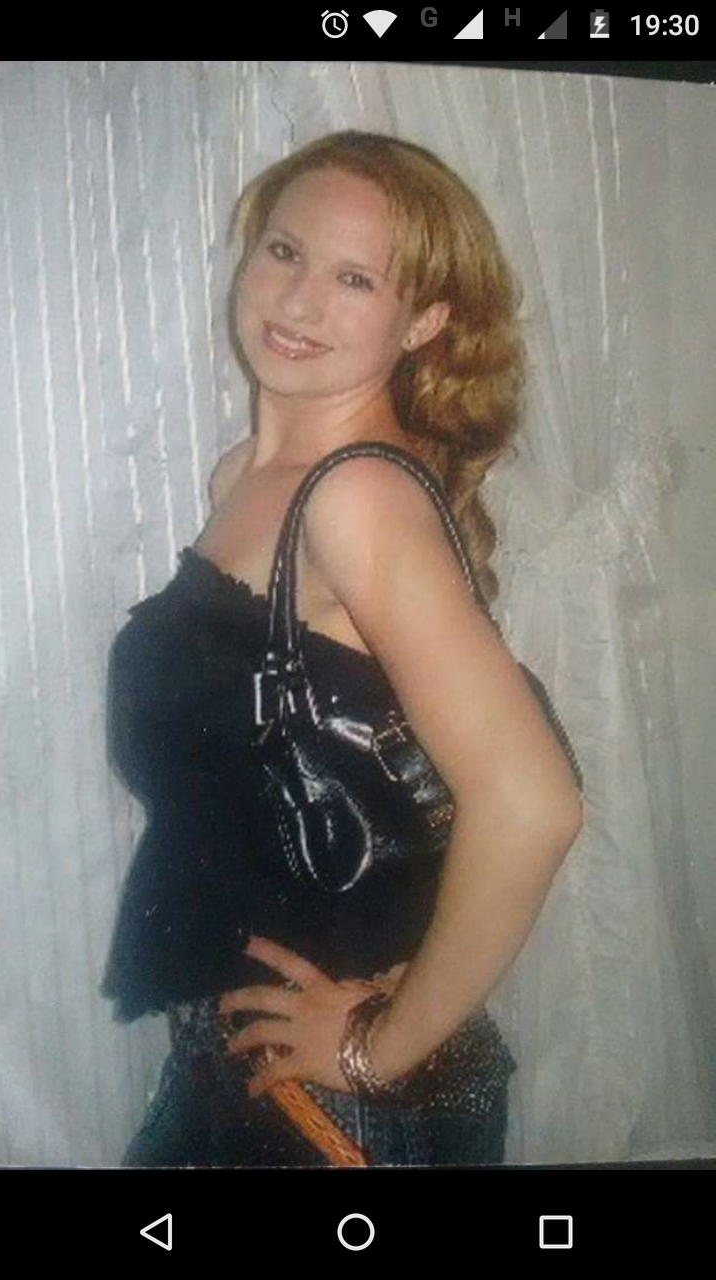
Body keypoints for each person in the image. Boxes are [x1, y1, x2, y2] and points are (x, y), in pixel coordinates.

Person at [100, 129, 583, 1167]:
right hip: (236, 1054)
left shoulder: (354, 496)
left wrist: (376, 1047)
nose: (299, 299)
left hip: (344, 1106)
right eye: (285, 251)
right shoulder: (247, 475)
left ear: (426, 321)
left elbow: (532, 801)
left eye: (354, 278)